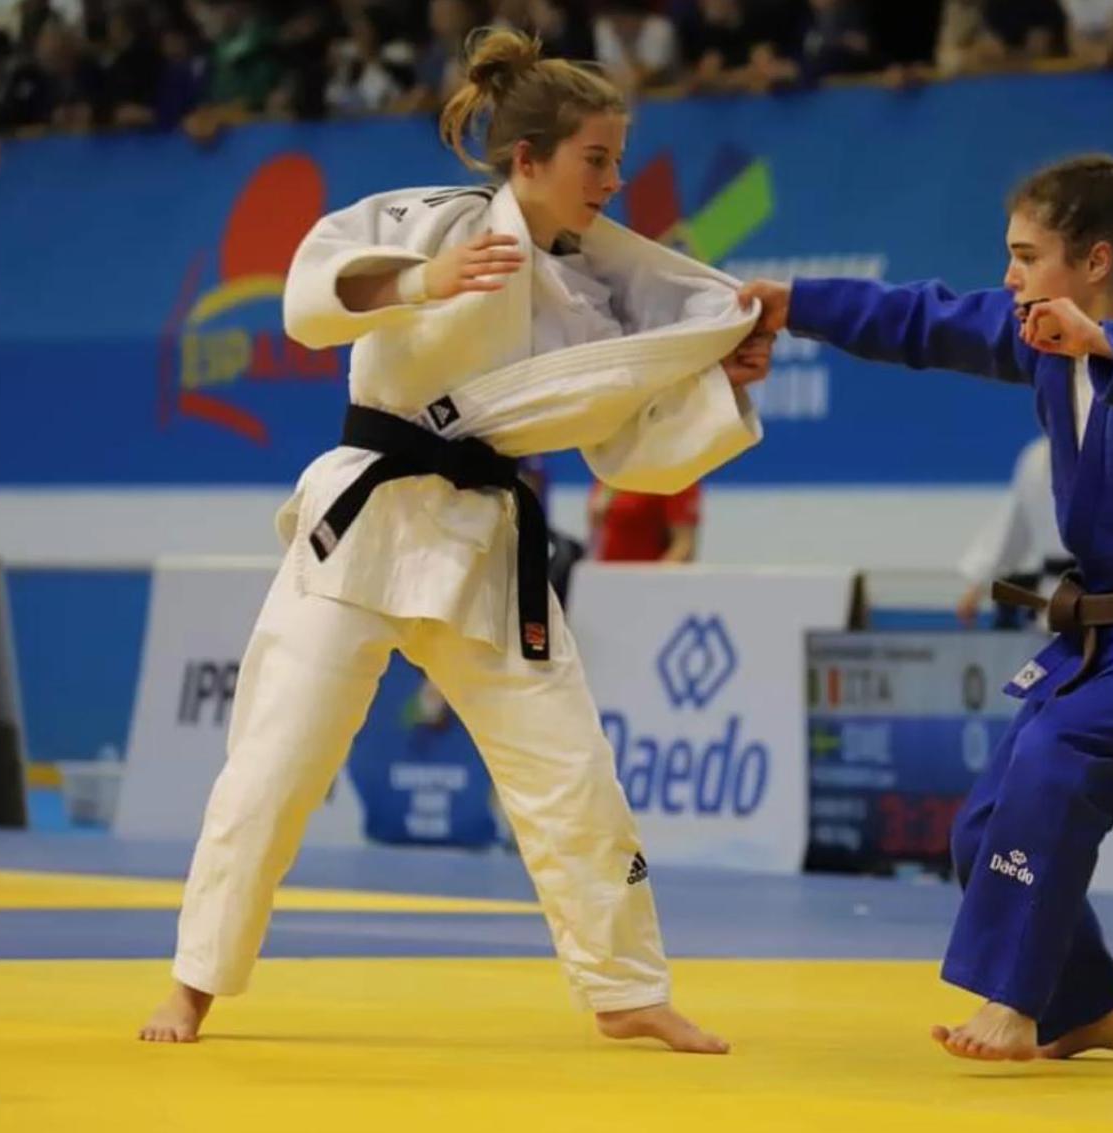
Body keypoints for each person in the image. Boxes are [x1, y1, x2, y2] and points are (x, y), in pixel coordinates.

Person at [140, 27, 776, 1054]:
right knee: (274, 763)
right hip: (365, 524)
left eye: (617, 159)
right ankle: (193, 985)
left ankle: (625, 988)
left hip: (484, 541)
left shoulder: (598, 294)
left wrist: (715, 384)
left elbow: (631, 453)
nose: (613, 182)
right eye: (595, 159)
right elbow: (310, 303)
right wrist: (422, 285)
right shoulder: (434, 221)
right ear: (527, 158)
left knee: (571, 769)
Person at [739, 150, 1113, 1061]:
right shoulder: (1035, 334)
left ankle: (1016, 1000)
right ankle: (1091, 1006)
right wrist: (795, 304)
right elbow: (922, 317)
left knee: (1055, 756)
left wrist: (1103, 343)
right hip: (1105, 645)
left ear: (1096, 260)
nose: (1010, 276)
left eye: (1027, 256)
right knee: (985, 830)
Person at [956, 435, 1071, 628]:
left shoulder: (1112, 449)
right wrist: (977, 586)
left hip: (1110, 598)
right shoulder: (1037, 458)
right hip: (1055, 599)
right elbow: (1013, 525)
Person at [587, 479, 702, 562]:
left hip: (649, 580)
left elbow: (684, 545)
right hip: (607, 576)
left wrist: (651, 582)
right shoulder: (609, 472)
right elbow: (596, 535)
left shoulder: (677, 477)